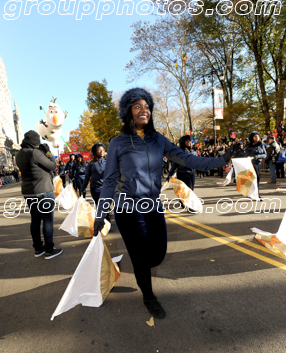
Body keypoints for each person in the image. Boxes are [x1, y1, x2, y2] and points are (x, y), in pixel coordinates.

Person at [92, 88, 232, 319]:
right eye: (137, 106)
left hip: (152, 205)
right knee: (140, 257)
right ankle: (148, 295)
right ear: (128, 112)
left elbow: (186, 158)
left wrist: (219, 160)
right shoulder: (117, 143)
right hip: (127, 208)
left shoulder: (158, 140)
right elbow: (108, 181)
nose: (143, 110)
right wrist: (100, 214)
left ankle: (139, 264)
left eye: (146, 106)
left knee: (156, 255)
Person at [15, 130, 63, 259]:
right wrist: (47, 152)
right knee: (47, 220)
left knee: (35, 220)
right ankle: (49, 249)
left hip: (28, 192)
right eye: (37, 143)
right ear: (34, 142)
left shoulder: (19, 154)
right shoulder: (35, 153)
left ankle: (38, 248)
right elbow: (53, 166)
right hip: (42, 191)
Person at [245, 132, 266, 196]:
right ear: (252, 138)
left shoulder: (261, 145)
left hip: (258, 163)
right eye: (255, 136)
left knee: (257, 178)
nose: (257, 138)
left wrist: (258, 156)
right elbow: (246, 156)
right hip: (251, 164)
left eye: (258, 136)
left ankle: (256, 192)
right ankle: (254, 193)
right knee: (253, 179)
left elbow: (265, 155)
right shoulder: (249, 146)